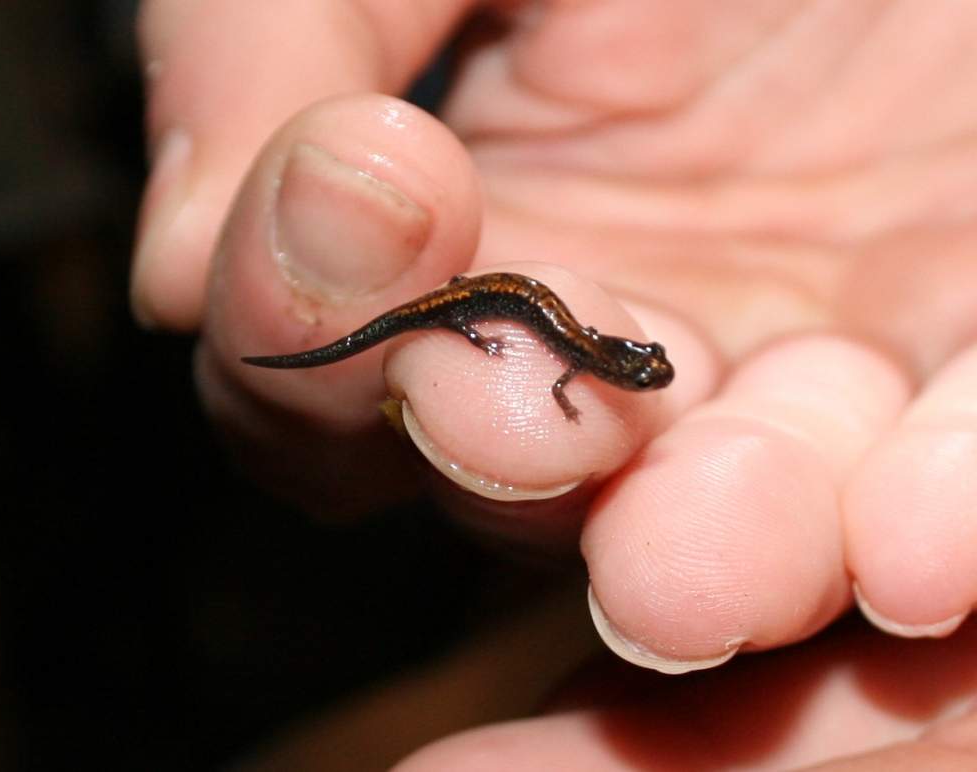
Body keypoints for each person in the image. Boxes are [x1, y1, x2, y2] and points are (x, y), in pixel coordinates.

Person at [132, 2, 977, 768]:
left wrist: (560, 390)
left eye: (640, 373)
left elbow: (579, 367)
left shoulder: (588, 358)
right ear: (615, 364)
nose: (641, 374)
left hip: (492, 306)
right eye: (639, 370)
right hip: (461, 304)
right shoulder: (581, 355)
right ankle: (401, 339)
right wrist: (500, 353)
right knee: (417, 345)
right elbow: (568, 364)